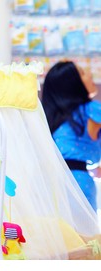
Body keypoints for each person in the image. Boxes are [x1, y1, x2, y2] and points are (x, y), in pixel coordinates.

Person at [41, 61, 101, 212]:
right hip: (79, 181)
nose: (89, 74)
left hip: (51, 182)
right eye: (82, 72)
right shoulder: (92, 109)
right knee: (85, 234)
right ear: (71, 84)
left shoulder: (53, 119)